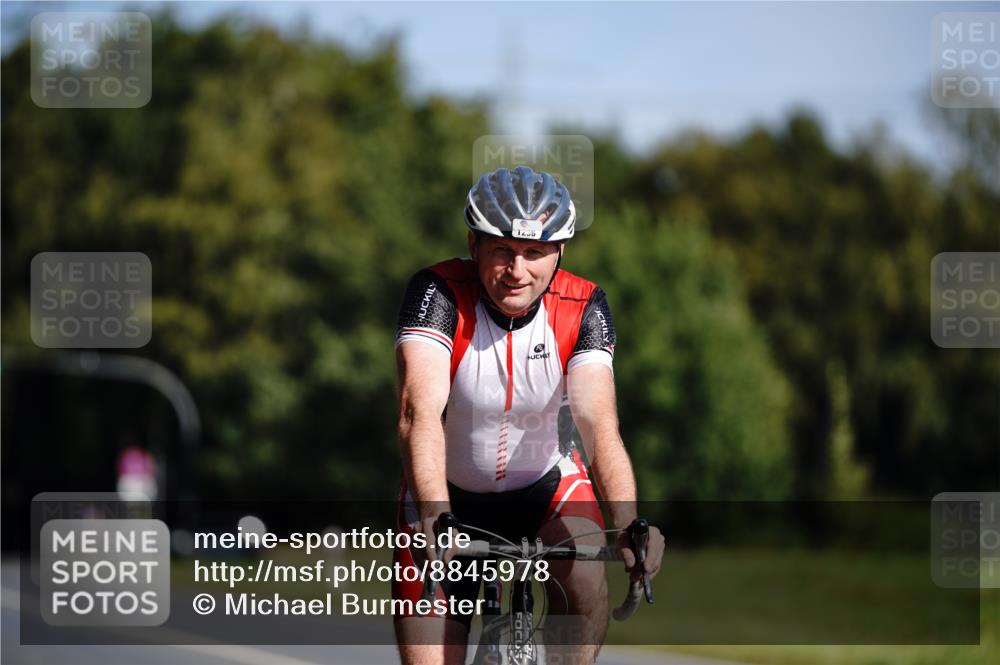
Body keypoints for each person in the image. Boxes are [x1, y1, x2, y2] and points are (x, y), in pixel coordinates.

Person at [392, 166, 665, 665]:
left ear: (560, 253)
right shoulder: (437, 293)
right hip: (446, 494)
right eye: (502, 250)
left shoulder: (584, 305)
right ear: (474, 245)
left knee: (585, 581)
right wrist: (434, 513)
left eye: (535, 253)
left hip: (545, 483)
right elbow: (418, 411)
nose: (517, 270)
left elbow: (598, 422)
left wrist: (627, 521)